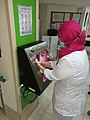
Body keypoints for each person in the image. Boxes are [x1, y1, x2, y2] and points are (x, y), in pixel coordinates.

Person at [36, 20, 89, 120]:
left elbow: (53, 75)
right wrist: (45, 63)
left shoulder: (69, 60)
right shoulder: (80, 49)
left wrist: (40, 66)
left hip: (66, 102)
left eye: (62, 37)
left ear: (69, 37)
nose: (60, 39)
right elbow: (61, 65)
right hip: (74, 96)